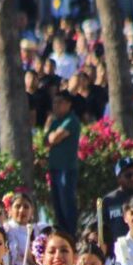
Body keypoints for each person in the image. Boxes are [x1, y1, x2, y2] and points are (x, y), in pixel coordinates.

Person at [43, 92, 81, 235]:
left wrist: (50, 134)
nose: (56, 106)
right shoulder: (55, 122)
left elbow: (54, 138)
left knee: (67, 204)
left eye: (60, 102)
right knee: (58, 205)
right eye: (54, 102)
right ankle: (62, 233)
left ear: (68, 104)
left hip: (67, 169)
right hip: (54, 168)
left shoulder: (71, 120)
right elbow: (46, 141)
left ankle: (71, 234)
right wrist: (49, 131)